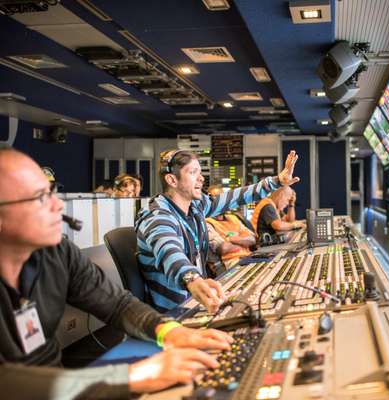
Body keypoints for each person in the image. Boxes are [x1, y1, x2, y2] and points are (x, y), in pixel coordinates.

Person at [0, 149, 234, 399]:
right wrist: (130, 377)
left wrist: (172, 333)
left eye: (51, 191)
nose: (57, 204)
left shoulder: (57, 253)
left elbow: (117, 304)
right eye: (39, 198)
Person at [136, 150, 300, 313]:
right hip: (174, 315)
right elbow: (169, 250)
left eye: (200, 172)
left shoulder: (196, 207)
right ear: (172, 179)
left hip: (196, 303)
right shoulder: (157, 216)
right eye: (193, 172)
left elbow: (235, 197)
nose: (201, 178)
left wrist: (277, 181)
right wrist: (192, 278)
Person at [205, 186, 256, 270]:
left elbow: (252, 239)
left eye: (221, 199)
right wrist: (243, 242)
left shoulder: (233, 218)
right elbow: (223, 248)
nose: (219, 202)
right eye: (215, 198)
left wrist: (232, 239)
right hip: (230, 263)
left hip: (249, 258)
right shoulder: (207, 223)